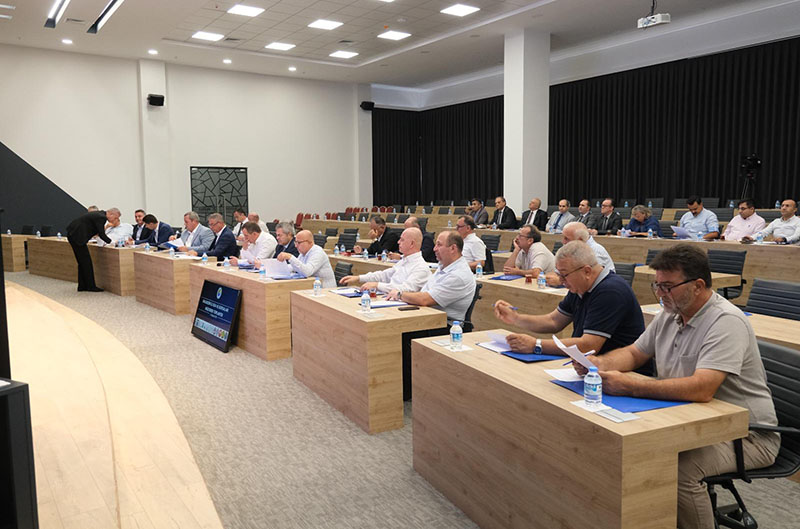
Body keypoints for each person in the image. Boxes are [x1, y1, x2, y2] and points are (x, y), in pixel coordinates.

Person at [573, 244, 779, 528]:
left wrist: (631, 386)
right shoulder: (670, 314)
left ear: (698, 286)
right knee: (628, 449)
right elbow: (634, 353)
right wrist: (600, 364)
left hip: (747, 435)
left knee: (680, 468)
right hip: (690, 421)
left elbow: (702, 388)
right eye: (657, 286)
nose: (660, 294)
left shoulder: (726, 322)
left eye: (668, 287)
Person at [494, 240, 643, 356]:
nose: (561, 281)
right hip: (589, 366)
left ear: (587, 271)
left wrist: (536, 345)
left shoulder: (611, 291)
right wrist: (516, 318)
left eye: (564, 275)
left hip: (623, 372)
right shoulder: (580, 286)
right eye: (559, 275)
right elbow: (553, 321)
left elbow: (589, 345)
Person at [387, 230, 476, 323]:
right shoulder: (444, 266)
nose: (434, 249)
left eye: (439, 245)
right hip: (427, 316)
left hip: (443, 325)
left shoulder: (458, 275)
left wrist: (399, 294)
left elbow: (425, 300)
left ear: (453, 248)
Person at [339, 227, 431, 293]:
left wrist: (377, 285)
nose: (398, 242)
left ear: (412, 244)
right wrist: (359, 278)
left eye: (402, 240)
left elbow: (406, 289)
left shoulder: (420, 268)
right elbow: (384, 275)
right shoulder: (404, 261)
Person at [66, 208, 118, 292]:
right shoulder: (101, 217)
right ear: (111, 214)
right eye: (115, 218)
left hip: (73, 234)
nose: (114, 220)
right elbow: (101, 234)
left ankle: (82, 286)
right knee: (86, 262)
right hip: (77, 237)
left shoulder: (99, 214)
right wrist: (112, 242)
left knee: (82, 262)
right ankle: (91, 286)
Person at [546, 222, 615, 284]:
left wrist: (561, 280)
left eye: (566, 238)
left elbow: (591, 279)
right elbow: (557, 272)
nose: (563, 242)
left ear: (580, 240)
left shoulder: (596, 251)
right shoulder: (571, 248)